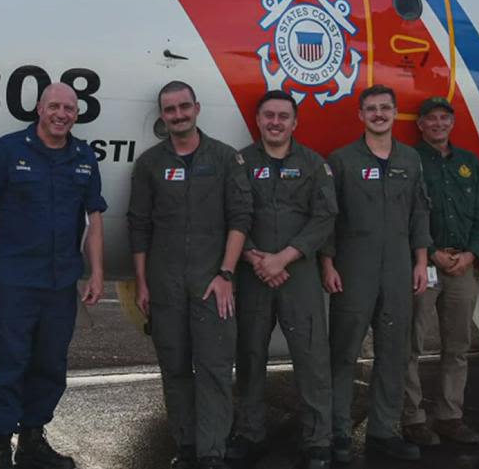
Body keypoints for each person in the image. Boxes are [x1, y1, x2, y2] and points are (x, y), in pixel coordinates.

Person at [0, 83, 107, 469]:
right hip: (12, 280)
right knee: (6, 361)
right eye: (54, 106)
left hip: (60, 284)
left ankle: (32, 440)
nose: (61, 114)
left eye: (69, 108)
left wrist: (97, 273)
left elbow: (94, 218)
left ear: (77, 114)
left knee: (49, 364)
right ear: (39, 109)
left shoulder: (83, 157)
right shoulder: (9, 150)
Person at [127, 81, 252, 469]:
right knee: (175, 366)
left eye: (184, 107)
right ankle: (186, 447)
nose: (178, 115)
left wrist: (226, 274)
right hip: (165, 285)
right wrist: (142, 282)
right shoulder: (150, 164)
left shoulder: (226, 158)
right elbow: (139, 226)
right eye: (170, 110)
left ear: (196, 108)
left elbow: (240, 218)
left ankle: (212, 452)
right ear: (162, 116)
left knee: (214, 368)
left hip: (212, 282)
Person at [321, 84, 432, 463]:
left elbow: (419, 212)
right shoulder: (341, 160)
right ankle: (336, 432)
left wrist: (421, 262)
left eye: (386, 108)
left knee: (393, 354)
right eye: (372, 109)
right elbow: (328, 217)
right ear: (361, 115)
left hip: (399, 269)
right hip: (353, 268)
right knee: (343, 352)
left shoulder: (411, 159)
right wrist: (327, 262)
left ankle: (384, 431)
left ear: (395, 112)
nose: (379, 114)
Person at [228, 90, 337, 469]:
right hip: (254, 273)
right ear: (258, 120)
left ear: (295, 123)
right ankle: (249, 432)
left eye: (283, 116)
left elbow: (324, 218)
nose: (275, 122)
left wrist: (283, 258)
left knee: (311, 358)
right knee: (250, 355)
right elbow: (231, 213)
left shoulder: (312, 164)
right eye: (268, 116)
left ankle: (317, 439)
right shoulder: (239, 162)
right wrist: (256, 257)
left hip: (298, 273)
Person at [401, 97, 479, 446]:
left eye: (444, 118)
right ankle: (412, 418)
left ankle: (450, 416)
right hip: (425, 265)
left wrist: (471, 253)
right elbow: (406, 213)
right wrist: (430, 252)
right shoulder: (409, 160)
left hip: (462, 267)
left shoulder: (468, 162)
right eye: (431, 119)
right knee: (411, 344)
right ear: (420, 125)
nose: (438, 124)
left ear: (451, 123)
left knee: (457, 346)